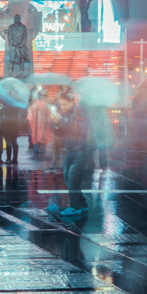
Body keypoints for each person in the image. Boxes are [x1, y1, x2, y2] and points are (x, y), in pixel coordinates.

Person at [50, 87, 92, 217]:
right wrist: (54, 123)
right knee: (68, 177)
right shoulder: (64, 115)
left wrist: (60, 122)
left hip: (81, 149)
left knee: (73, 176)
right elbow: (61, 132)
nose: (62, 107)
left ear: (72, 102)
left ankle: (75, 206)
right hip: (71, 149)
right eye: (61, 104)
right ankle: (82, 204)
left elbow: (76, 131)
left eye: (65, 104)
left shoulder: (79, 113)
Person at [0, 96, 24, 165]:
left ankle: (8, 159)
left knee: (9, 142)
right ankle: (15, 159)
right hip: (15, 125)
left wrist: (1, 109)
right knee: (14, 142)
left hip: (8, 125)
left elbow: (3, 112)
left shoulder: (7, 106)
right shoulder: (17, 104)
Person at [27, 88, 52, 157]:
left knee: (35, 137)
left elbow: (30, 116)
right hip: (44, 124)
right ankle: (43, 151)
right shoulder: (46, 104)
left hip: (36, 124)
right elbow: (49, 114)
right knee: (43, 136)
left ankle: (36, 151)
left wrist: (31, 121)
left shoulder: (34, 105)